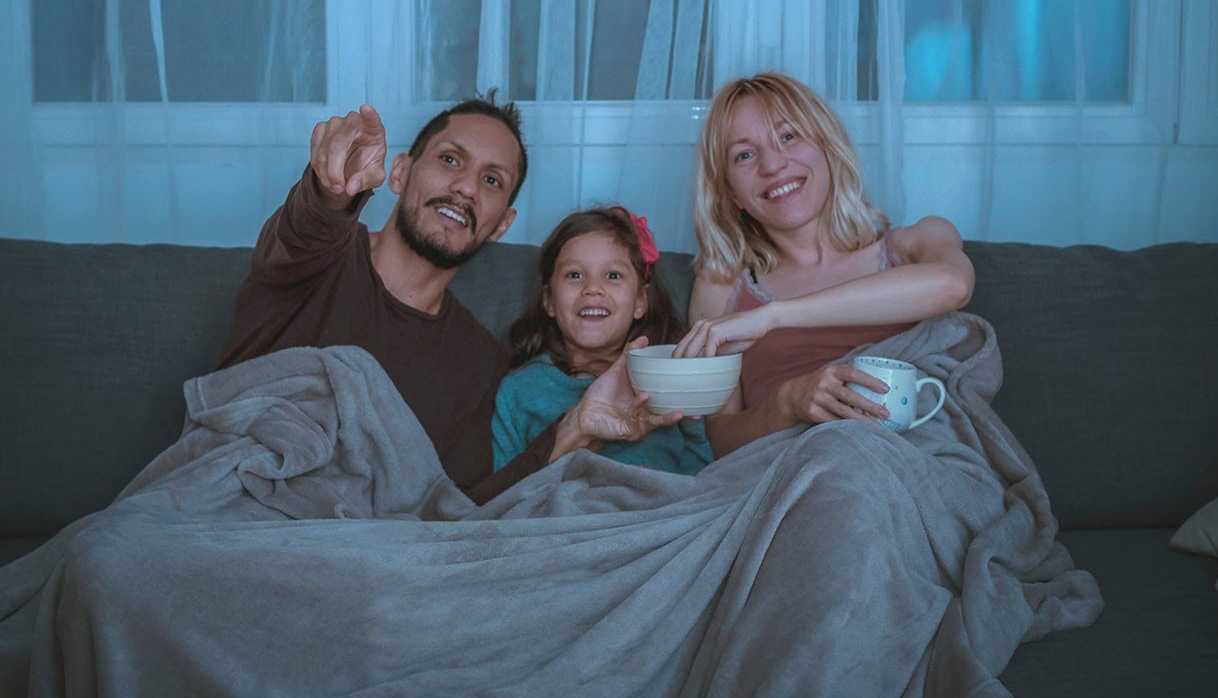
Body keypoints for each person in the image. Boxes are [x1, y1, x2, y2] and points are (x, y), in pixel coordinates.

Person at [218, 91, 682, 504]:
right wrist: (329, 190)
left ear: (502, 225)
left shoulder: (480, 365)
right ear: (400, 172)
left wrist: (578, 426)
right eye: (450, 160)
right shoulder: (313, 259)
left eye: (492, 181)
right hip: (222, 495)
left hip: (350, 551)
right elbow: (305, 229)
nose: (466, 188)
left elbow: (465, 513)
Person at [673, 72, 975, 457]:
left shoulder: (917, 243)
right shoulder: (721, 289)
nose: (773, 165)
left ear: (826, 147)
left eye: (789, 136)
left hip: (910, 463)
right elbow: (721, 442)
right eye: (744, 155)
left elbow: (953, 286)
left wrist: (773, 317)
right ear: (730, 193)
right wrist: (788, 402)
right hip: (790, 472)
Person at [492, 206, 712, 475]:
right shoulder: (519, 390)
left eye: (613, 275)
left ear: (640, 301)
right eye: (574, 275)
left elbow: (702, 477)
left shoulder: (665, 379)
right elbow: (503, 489)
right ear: (548, 301)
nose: (593, 288)